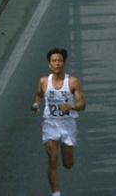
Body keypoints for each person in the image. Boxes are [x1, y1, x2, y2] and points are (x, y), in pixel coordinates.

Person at [31, 48, 86, 196]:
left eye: (60, 60)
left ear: (64, 63)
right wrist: (36, 104)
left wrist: (71, 106)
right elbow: (39, 95)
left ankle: (67, 153)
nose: (57, 63)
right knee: (52, 158)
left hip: (68, 124)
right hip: (51, 123)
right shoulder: (43, 81)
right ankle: (56, 193)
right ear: (49, 64)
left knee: (68, 164)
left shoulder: (72, 82)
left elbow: (82, 104)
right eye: (54, 61)